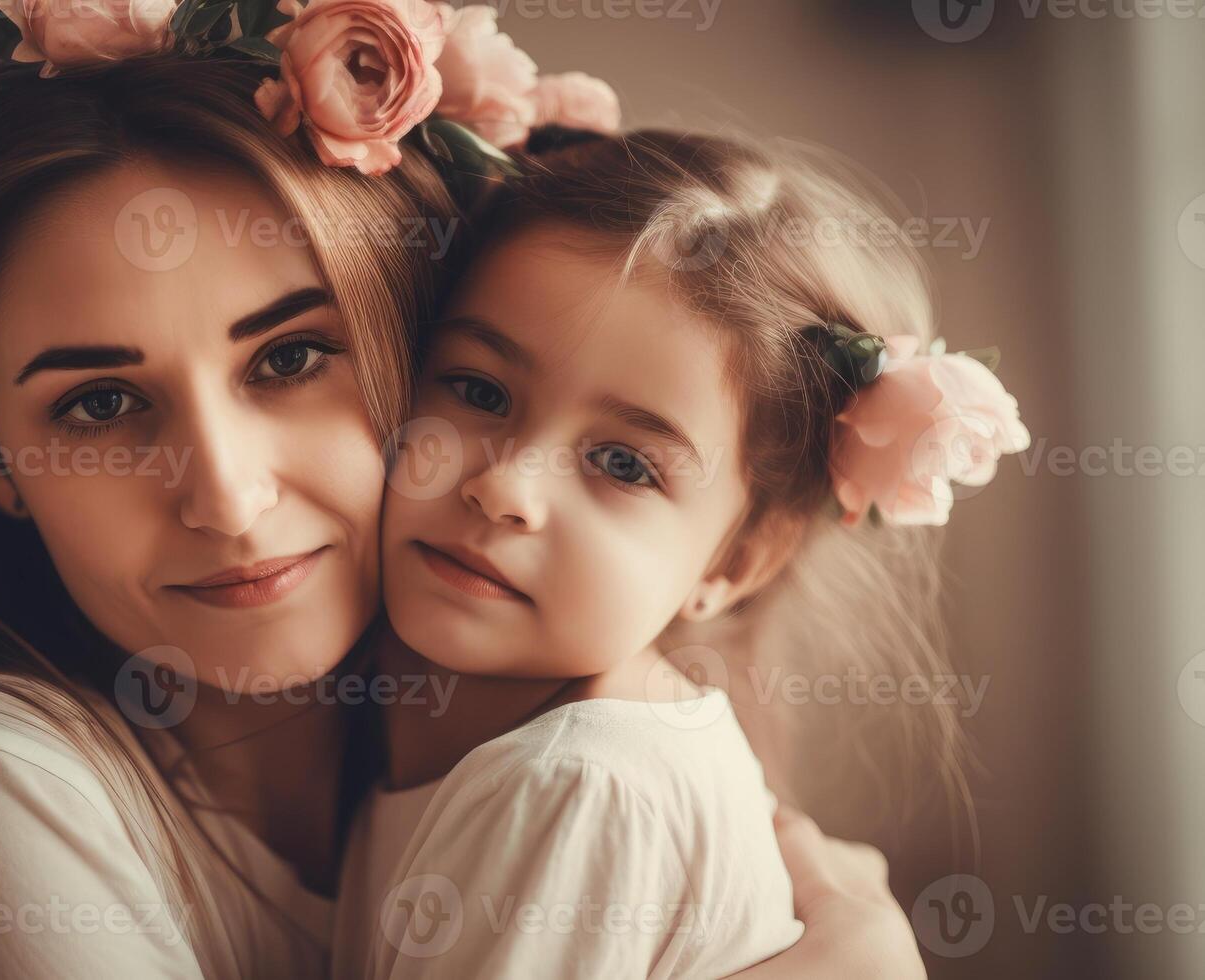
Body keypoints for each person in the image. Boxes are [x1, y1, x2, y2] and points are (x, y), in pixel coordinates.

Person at [0, 6, 934, 977]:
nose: (224, 494)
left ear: (398, 343)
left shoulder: (547, 779)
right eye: (99, 404)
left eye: (288, 357)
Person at [341, 128, 1027, 978]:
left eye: (623, 464)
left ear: (733, 563)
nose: (505, 486)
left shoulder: (575, 785)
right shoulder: (480, 757)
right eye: (479, 391)